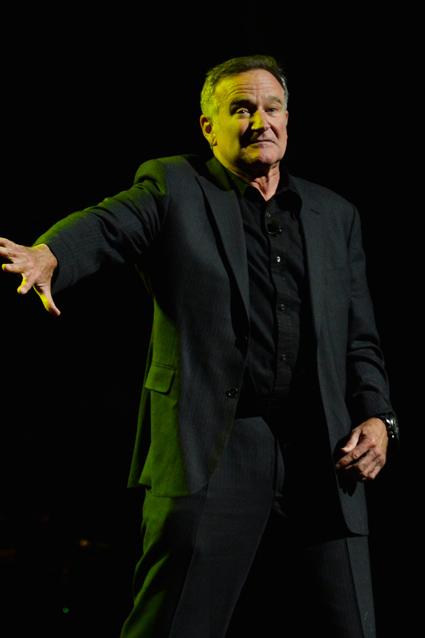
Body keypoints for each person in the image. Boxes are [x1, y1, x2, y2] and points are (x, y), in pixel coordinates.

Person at [0, 54, 399, 637]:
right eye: (242, 109)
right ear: (210, 127)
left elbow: (360, 339)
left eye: (272, 107)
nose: (260, 121)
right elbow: (109, 225)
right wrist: (51, 254)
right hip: (213, 445)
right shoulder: (174, 186)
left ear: (288, 120)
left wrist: (380, 418)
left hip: (321, 451)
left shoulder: (335, 215)